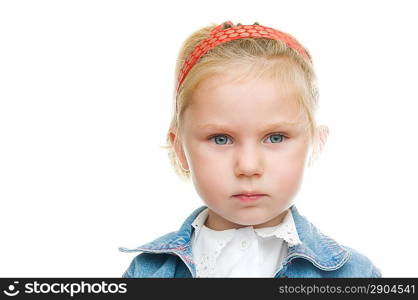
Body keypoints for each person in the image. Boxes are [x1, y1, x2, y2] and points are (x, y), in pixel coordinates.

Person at [119, 20, 382, 278]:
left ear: (315, 143)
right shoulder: (146, 273)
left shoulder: (356, 275)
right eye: (221, 139)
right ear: (179, 149)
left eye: (275, 138)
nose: (248, 166)